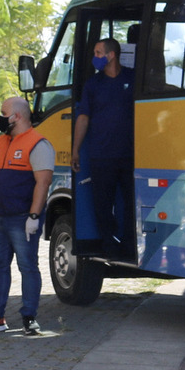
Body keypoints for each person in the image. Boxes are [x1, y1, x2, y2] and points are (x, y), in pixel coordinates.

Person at [0, 96, 54, 335]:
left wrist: (34, 217)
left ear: (17, 116)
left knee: (28, 267)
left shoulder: (38, 144)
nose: (1, 117)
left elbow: (43, 183)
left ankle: (29, 317)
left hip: (22, 218)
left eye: (4, 113)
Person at [71, 35, 135, 258]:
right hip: (101, 155)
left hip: (131, 155)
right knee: (103, 204)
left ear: (111, 55)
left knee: (130, 203)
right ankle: (109, 245)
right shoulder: (93, 84)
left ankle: (129, 244)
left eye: (98, 53)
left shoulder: (132, 78)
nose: (95, 58)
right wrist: (75, 149)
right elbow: (83, 118)